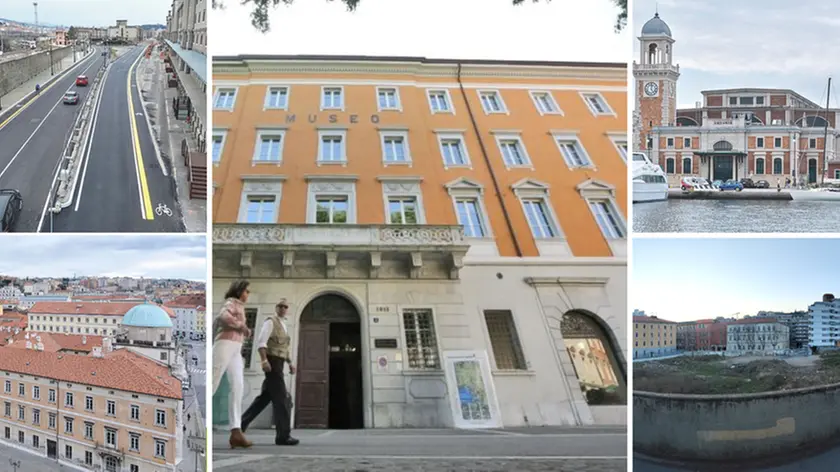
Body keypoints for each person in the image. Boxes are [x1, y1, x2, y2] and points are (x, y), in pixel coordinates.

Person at [240, 299, 300, 446]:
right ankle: (283, 436)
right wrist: (264, 361)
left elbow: (284, 348)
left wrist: (290, 363)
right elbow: (261, 342)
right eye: (280, 306)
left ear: (287, 309)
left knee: (264, 399)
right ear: (276, 307)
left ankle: (239, 426)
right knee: (282, 399)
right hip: (272, 363)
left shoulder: (284, 325)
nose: (283, 308)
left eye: (285, 306)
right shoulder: (270, 322)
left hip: (279, 363)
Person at [211, 280, 253, 449]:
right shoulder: (232, 303)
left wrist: (243, 330)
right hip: (225, 344)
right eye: (246, 291)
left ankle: (236, 431)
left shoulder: (240, 306)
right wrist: (241, 326)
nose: (248, 294)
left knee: (238, 386)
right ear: (239, 291)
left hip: (236, 348)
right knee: (214, 380)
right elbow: (223, 316)